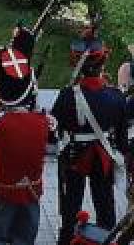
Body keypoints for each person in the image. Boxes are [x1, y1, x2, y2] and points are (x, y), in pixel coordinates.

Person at [0, 24, 55, 245]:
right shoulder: (45, 122)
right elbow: (53, 135)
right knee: (24, 237)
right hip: (32, 191)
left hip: (3, 191)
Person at [52, 26, 127, 245]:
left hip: (74, 156)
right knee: (105, 207)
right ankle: (107, 239)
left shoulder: (66, 96)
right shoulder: (116, 97)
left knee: (70, 207)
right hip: (103, 156)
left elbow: (55, 130)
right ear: (103, 64)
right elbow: (121, 141)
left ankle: (67, 239)